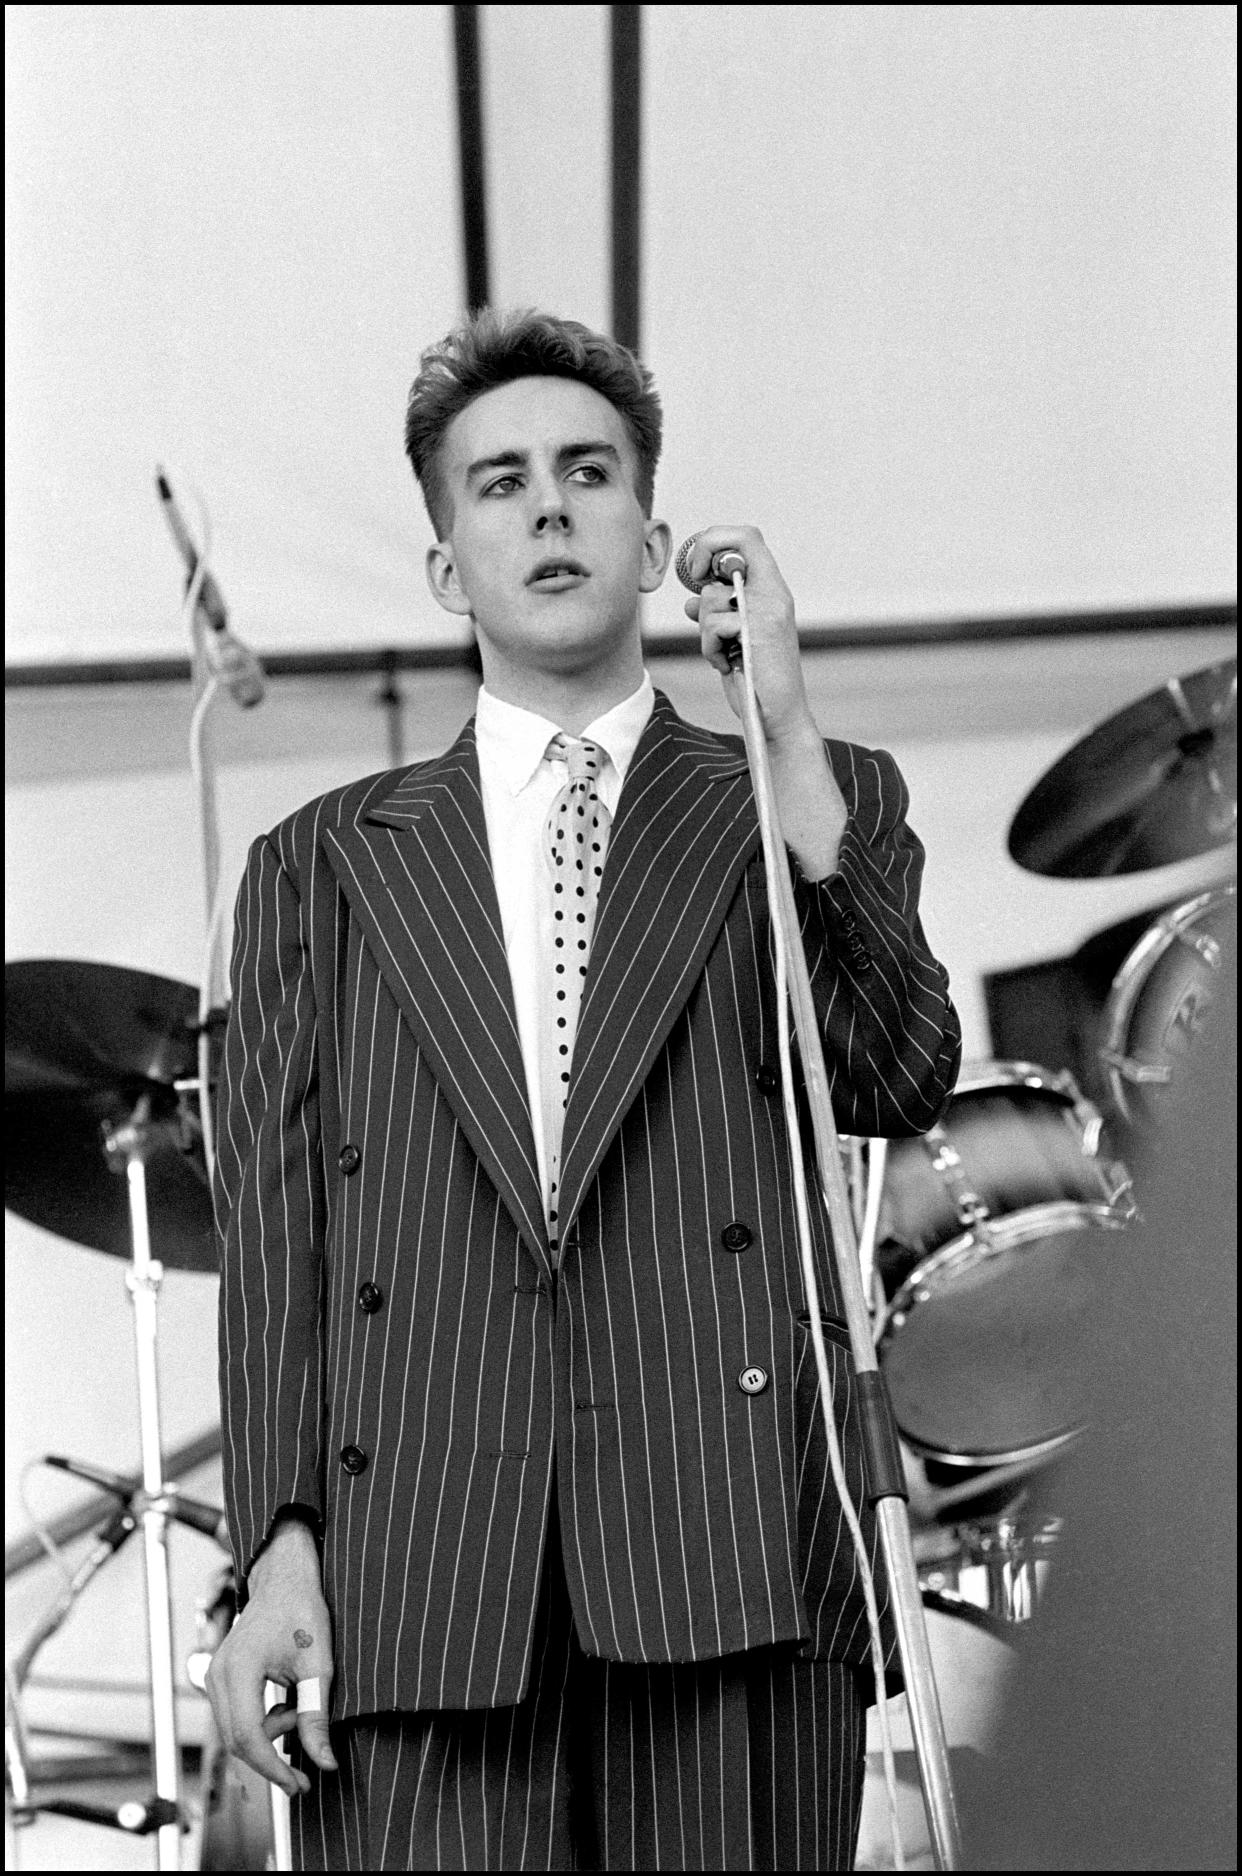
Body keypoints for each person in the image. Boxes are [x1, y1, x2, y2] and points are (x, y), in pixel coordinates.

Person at [207, 308, 961, 1871]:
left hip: (731, 1545)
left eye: (586, 471)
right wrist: (270, 1551)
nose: (547, 506)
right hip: (416, 1573)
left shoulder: (794, 794)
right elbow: (274, 1241)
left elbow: (892, 1069)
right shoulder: (319, 866)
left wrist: (789, 738)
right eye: (498, 482)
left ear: (656, 536)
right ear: (444, 564)